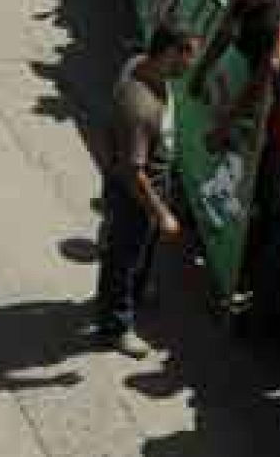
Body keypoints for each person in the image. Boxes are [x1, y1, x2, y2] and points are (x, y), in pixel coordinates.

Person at [92, 25, 197, 356]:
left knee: (139, 251)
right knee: (121, 258)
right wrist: (161, 212)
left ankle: (136, 291)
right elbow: (132, 171)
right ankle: (115, 326)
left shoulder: (143, 67)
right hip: (134, 195)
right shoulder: (140, 106)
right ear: (170, 53)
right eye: (189, 53)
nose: (193, 62)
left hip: (151, 187)